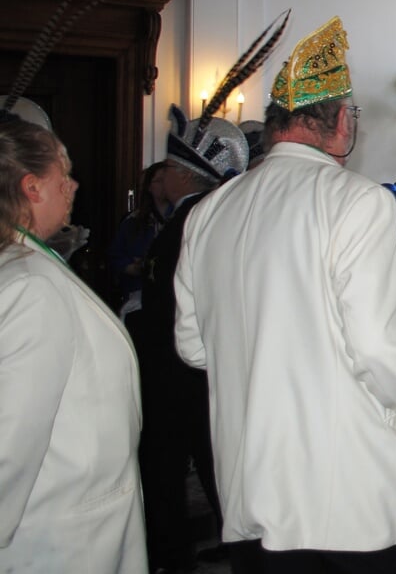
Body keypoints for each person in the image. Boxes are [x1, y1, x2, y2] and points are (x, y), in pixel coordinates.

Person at [174, 17, 396, 571]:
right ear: (339, 122)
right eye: (353, 114)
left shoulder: (208, 212)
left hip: (255, 491)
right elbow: (381, 347)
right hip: (355, 499)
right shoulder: (356, 201)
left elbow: (193, 346)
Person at [0, 119, 146, 573]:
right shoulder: (30, 287)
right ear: (32, 187)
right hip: (58, 536)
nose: (74, 186)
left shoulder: (26, 265)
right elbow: (8, 440)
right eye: (63, 175)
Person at [132, 104, 256, 573]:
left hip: (179, 368)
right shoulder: (213, 218)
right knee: (213, 457)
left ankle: (169, 555)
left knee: (168, 462)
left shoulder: (192, 223)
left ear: (185, 176)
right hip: (204, 365)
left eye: (167, 168)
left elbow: (175, 305)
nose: (161, 176)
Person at [108, 160, 167, 316]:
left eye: (166, 180)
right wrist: (133, 267)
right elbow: (116, 256)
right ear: (149, 187)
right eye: (159, 181)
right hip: (138, 296)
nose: (165, 185)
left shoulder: (182, 216)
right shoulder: (133, 222)